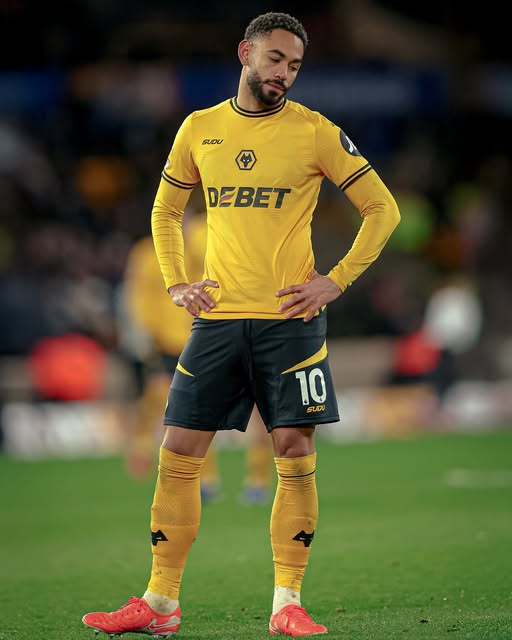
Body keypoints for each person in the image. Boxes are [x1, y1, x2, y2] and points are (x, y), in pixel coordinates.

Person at [82, 11, 400, 637]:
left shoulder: (315, 131)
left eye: (295, 65)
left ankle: (287, 604)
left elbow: (381, 209)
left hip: (290, 320)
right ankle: (160, 604)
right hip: (218, 320)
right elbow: (165, 210)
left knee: (294, 451)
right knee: (178, 451)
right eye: (276, 59)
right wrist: (176, 281)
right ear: (244, 54)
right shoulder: (200, 128)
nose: (284, 73)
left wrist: (336, 280)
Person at [120, 212, 273, 502]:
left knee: (256, 403)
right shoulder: (146, 252)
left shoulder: (211, 233)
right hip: (171, 342)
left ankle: (258, 479)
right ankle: (205, 480)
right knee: (188, 406)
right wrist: (144, 331)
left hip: (225, 329)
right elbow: (138, 295)